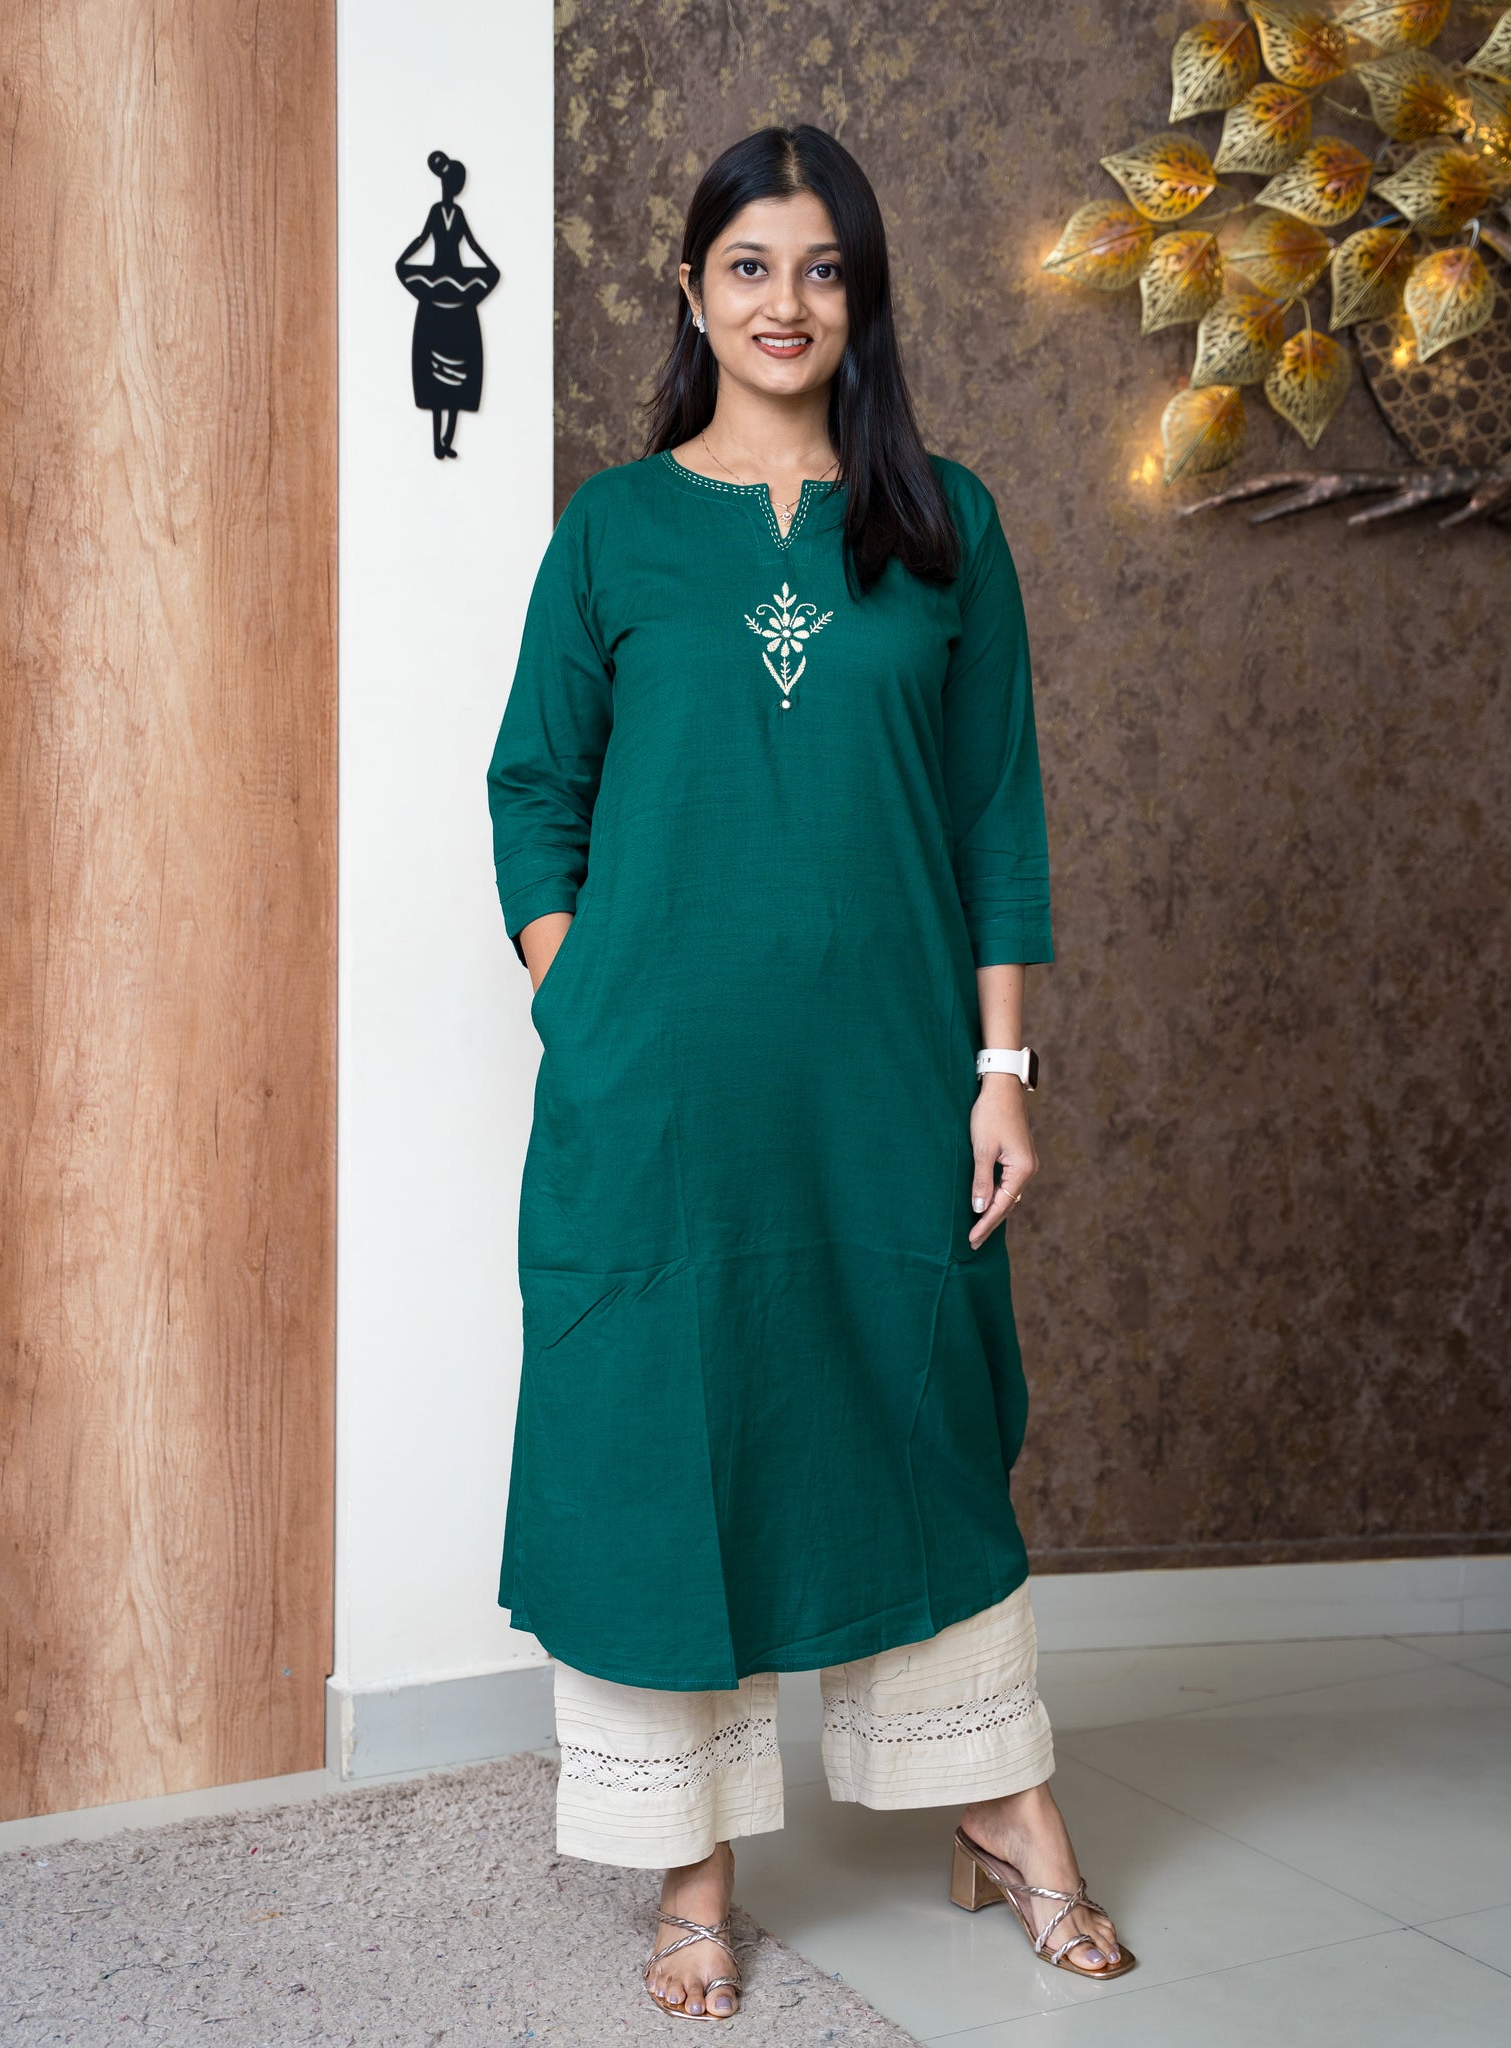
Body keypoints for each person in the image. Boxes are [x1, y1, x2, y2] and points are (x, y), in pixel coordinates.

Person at [485, 122, 1135, 2022]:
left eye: (823, 268)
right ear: (691, 291)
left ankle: (998, 1803)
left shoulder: (943, 522)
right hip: (662, 1095)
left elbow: (996, 813)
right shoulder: (614, 528)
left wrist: (1000, 1066)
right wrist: (588, 998)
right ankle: (690, 1863)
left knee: (916, 1417)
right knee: (660, 1424)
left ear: (864, 298)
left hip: (882, 1075)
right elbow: (533, 789)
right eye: (750, 265)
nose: (787, 302)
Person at [395, 151, 499, 459]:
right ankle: (437, 443)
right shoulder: (436, 212)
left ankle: (448, 441)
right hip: (439, 281)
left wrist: (489, 266)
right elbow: (422, 239)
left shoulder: (459, 215)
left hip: (457, 287)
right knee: (435, 381)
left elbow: (472, 244)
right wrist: (404, 260)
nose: (451, 189)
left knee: (458, 377)